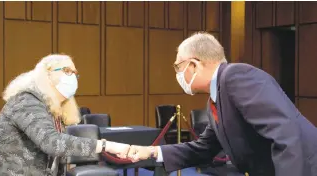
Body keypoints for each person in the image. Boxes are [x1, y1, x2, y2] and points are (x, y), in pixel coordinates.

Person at [127, 32, 317, 176]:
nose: (177, 74)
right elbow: (203, 149)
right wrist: (149, 152)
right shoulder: (216, 99)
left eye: (178, 67)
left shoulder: (235, 76)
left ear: (194, 65)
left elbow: (285, 133)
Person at [0, 54, 130, 175]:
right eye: (67, 71)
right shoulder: (26, 100)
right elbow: (52, 143)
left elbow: (59, 154)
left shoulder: (55, 109)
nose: (73, 77)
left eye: (75, 74)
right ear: (47, 75)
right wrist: (105, 145)